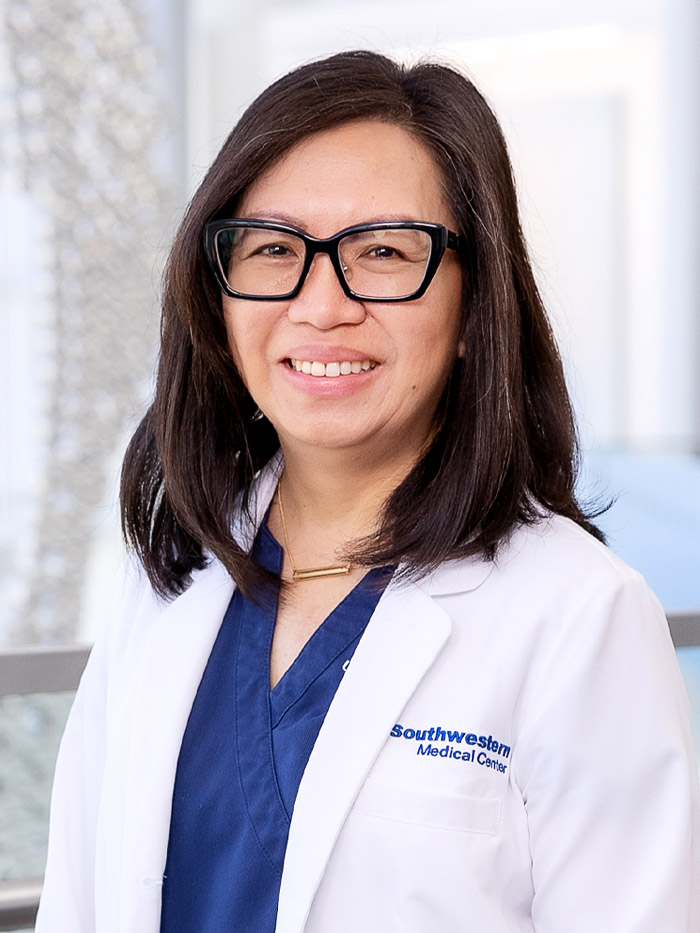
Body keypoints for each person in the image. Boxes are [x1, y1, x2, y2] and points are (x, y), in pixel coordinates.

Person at [37, 50, 699, 932]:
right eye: (274, 249)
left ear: (473, 310)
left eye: (383, 251)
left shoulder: (578, 614)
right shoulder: (172, 573)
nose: (321, 304)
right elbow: (78, 901)